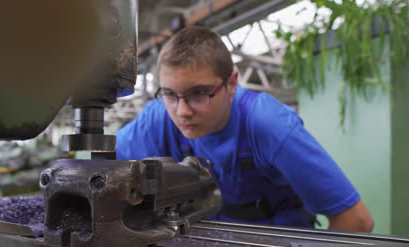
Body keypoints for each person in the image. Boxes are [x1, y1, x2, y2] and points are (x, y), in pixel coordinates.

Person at [116, 26, 374, 232]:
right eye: (170, 94)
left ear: (231, 83)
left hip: (278, 245)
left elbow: (356, 221)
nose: (182, 112)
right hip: (210, 242)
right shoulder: (158, 118)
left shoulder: (269, 126)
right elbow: (101, 166)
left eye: (199, 94)